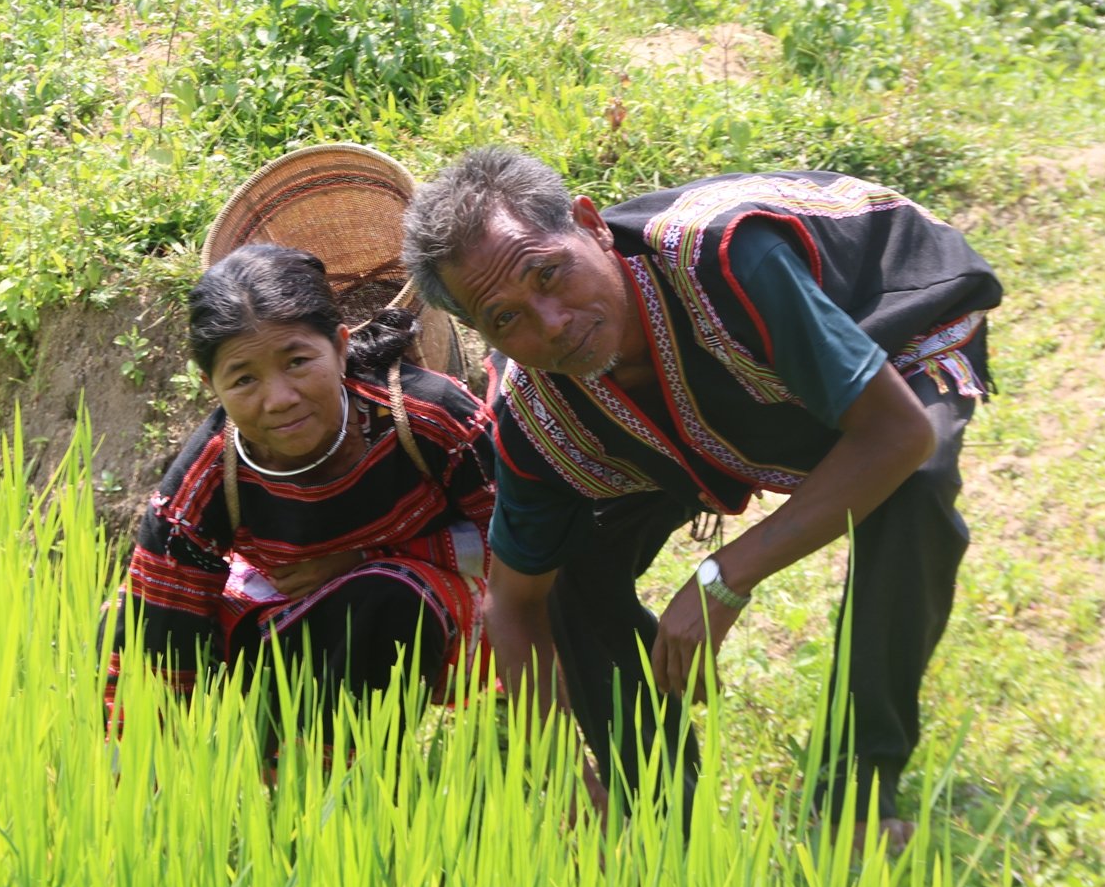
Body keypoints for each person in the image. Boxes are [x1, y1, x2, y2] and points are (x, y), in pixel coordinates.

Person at [401, 149, 1002, 848]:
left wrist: (724, 577)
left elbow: (895, 436)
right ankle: (655, 806)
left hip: (885, 323)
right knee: (568, 567)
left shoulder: (724, 261)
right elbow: (514, 603)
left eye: (549, 273)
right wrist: (563, 773)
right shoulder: (537, 414)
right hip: (703, 413)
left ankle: (856, 795)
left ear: (593, 227)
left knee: (913, 492)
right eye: (507, 318)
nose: (552, 323)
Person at [100, 243, 495, 766]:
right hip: (284, 619)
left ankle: (346, 782)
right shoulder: (210, 476)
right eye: (244, 379)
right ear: (210, 386)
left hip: (439, 613)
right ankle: (282, 769)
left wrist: (360, 562)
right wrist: (138, 788)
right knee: (130, 619)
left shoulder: (429, 417)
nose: (280, 397)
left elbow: (523, 539)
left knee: (383, 598)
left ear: (339, 345)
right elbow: (158, 638)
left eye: (298, 361)